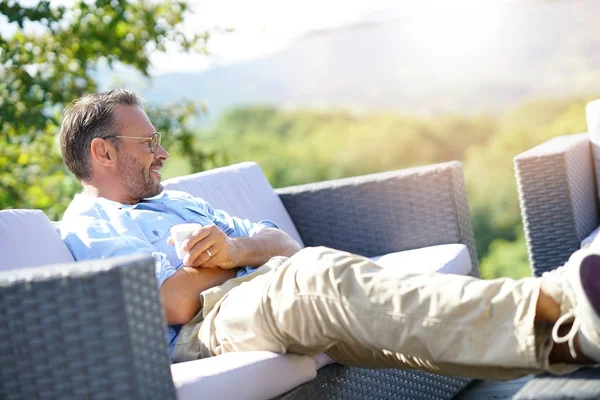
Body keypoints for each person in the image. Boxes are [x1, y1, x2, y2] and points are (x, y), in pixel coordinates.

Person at [59, 89, 599, 381]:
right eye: (148, 141)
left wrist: (235, 249)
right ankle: (557, 303)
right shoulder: (89, 226)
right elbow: (174, 304)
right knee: (320, 277)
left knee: (385, 326)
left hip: (263, 288)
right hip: (213, 324)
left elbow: (280, 243)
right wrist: (230, 259)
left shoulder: (177, 199)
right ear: (102, 152)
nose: (162, 152)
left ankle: (568, 338)